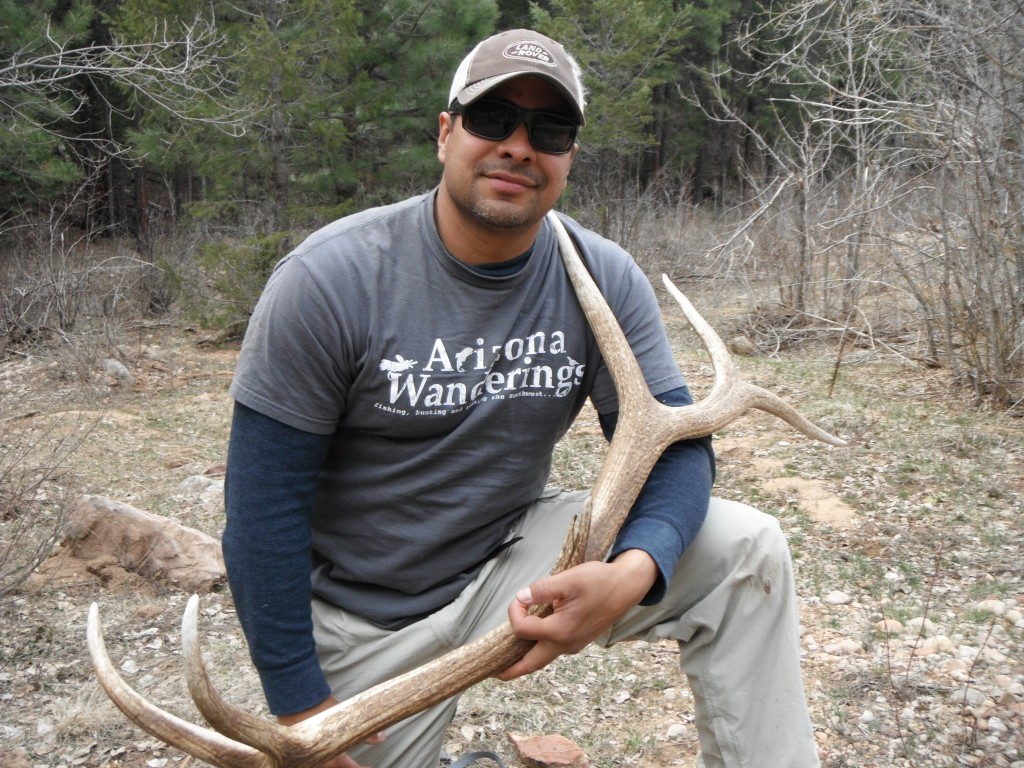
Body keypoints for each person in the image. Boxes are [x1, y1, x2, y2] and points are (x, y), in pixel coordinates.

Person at [223, 28, 820, 768]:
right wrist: (301, 703)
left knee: (747, 551)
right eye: (491, 118)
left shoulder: (600, 273)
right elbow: (261, 514)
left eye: (550, 128)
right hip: (366, 616)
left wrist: (632, 571)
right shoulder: (329, 280)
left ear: (568, 156)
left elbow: (679, 446)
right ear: (446, 133)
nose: (517, 145)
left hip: (509, 557)